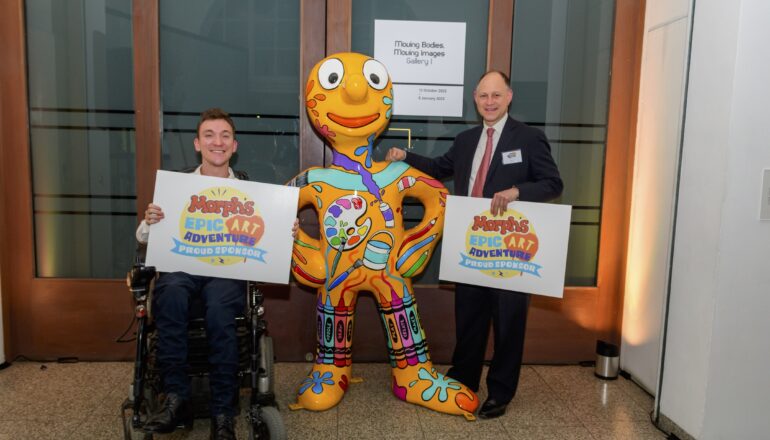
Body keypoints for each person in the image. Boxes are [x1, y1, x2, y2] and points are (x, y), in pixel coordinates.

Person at [386, 71, 563, 419]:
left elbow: (553, 183)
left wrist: (517, 192)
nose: (490, 102)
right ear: (475, 99)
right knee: (469, 318)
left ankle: (500, 391)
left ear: (509, 97)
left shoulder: (529, 138)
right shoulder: (466, 139)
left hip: (510, 249)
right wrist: (404, 155)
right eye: (484, 96)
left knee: (508, 323)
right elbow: (439, 167)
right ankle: (464, 379)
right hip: (471, 244)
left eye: (496, 95)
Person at [136, 108, 298, 439]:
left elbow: (270, 235)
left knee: (221, 309)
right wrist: (151, 222)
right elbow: (143, 237)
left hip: (227, 271)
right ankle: (176, 397)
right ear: (197, 144)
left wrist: (286, 229)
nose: (217, 142)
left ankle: (223, 413)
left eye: (225, 136)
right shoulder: (177, 187)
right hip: (183, 267)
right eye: (209, 135)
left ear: (234, 146)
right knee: (170, 292)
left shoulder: (250, 192)